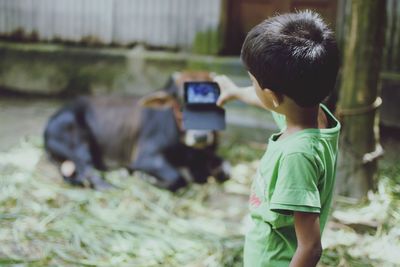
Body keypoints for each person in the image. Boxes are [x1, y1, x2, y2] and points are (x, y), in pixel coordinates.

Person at [214, 11, 340, 267]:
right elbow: (271, 102)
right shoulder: (310, 114)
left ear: (272, 95)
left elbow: (311, 247)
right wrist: (236, 93)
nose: (251, 86)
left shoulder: (297, 156)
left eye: (252, 82)